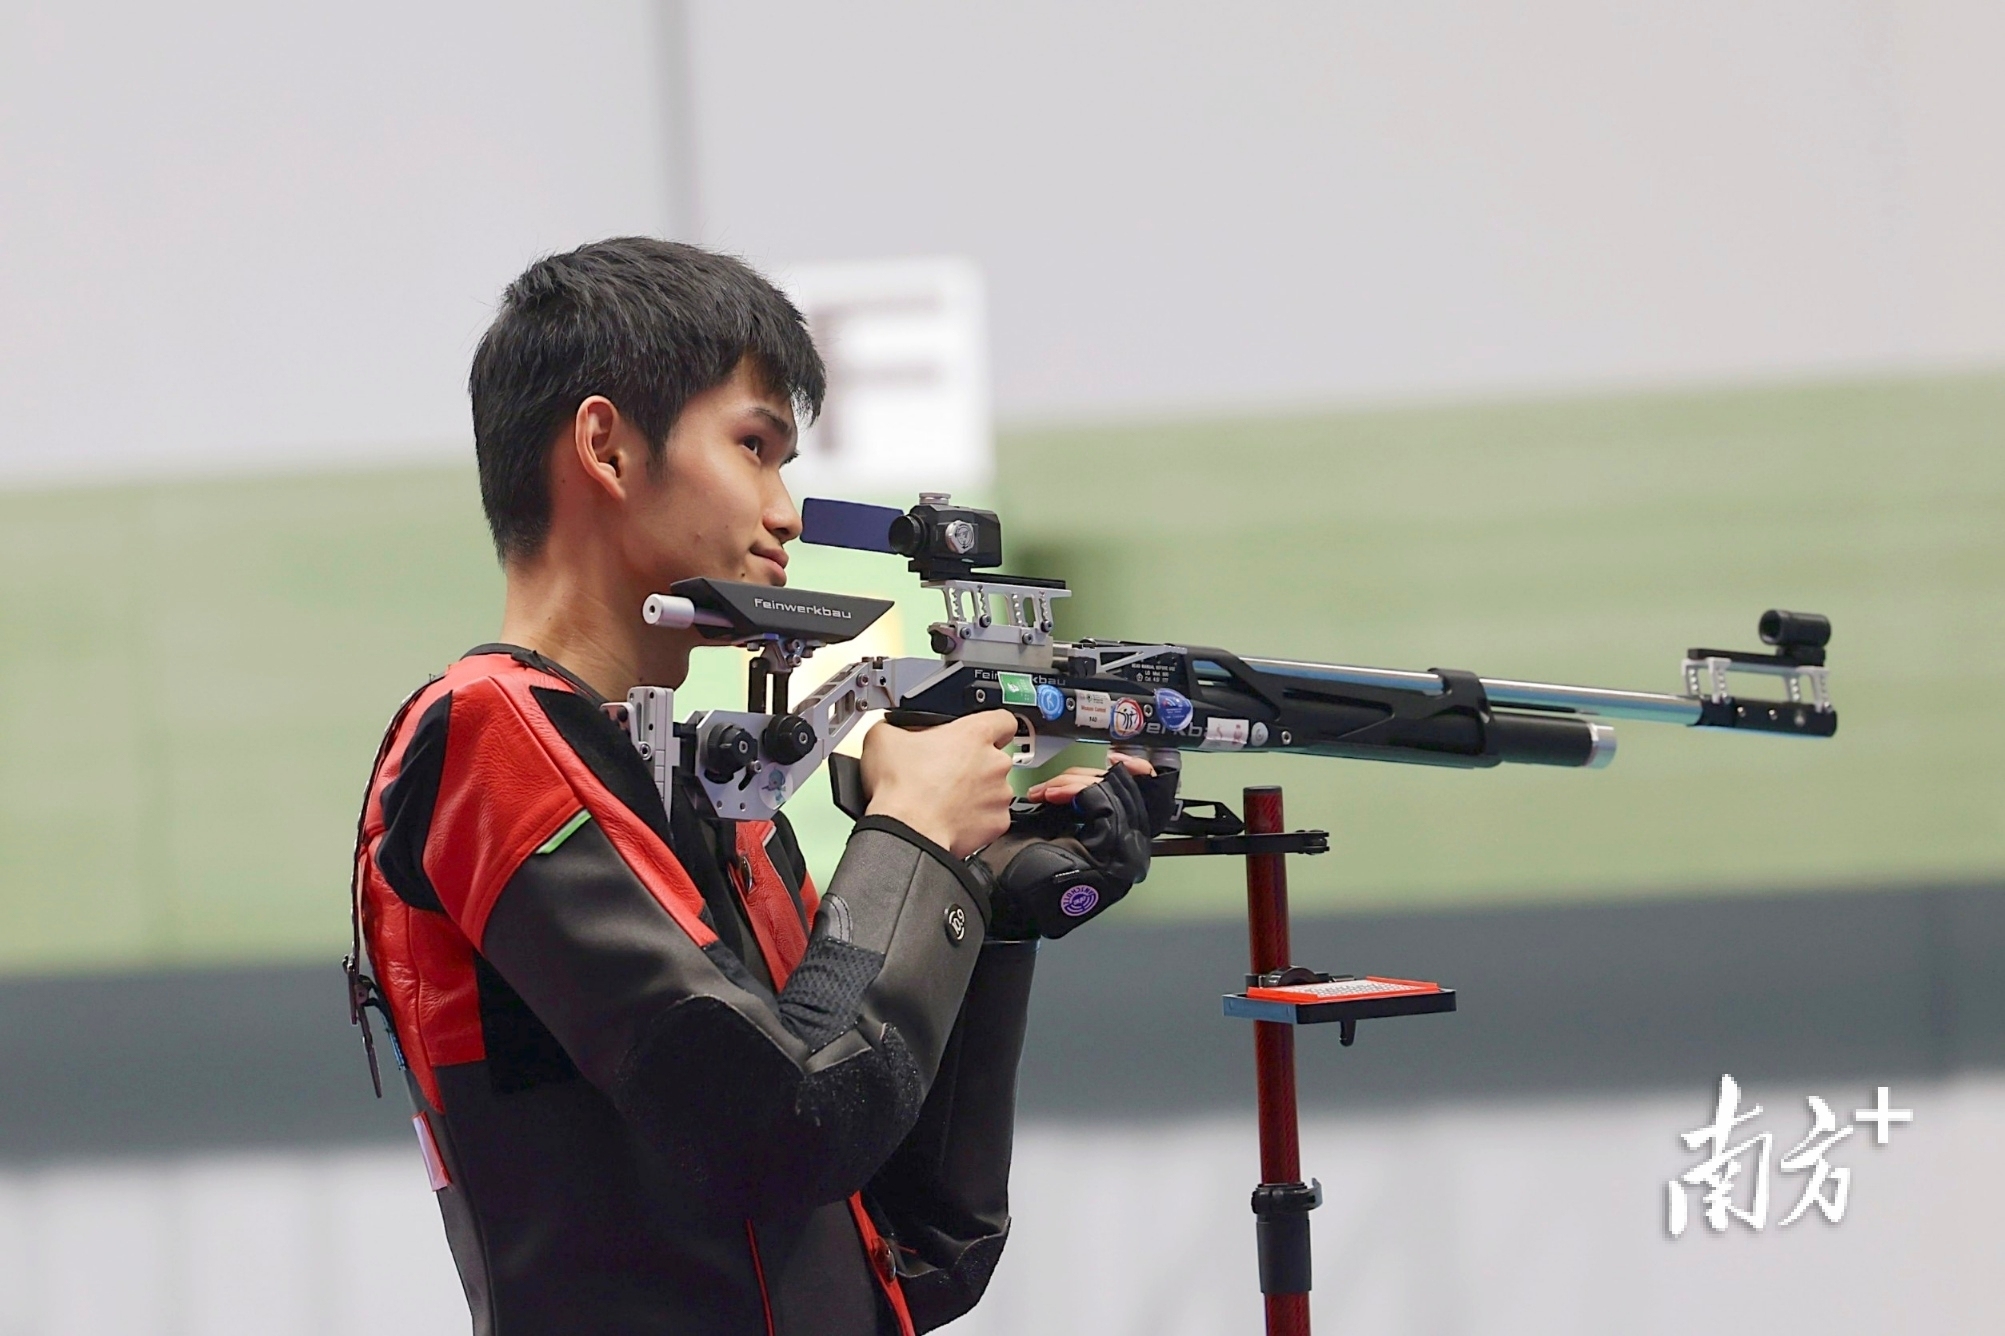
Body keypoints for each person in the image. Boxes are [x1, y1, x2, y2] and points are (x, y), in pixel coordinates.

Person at [346, 237, 1171, 1335]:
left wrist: (983, 901)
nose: (785, 511)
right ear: (606, 447)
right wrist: (914, 837)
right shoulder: (486, 732)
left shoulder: (709, 794)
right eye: (754, 447)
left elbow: (918, 1243)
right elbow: (784, 1129)